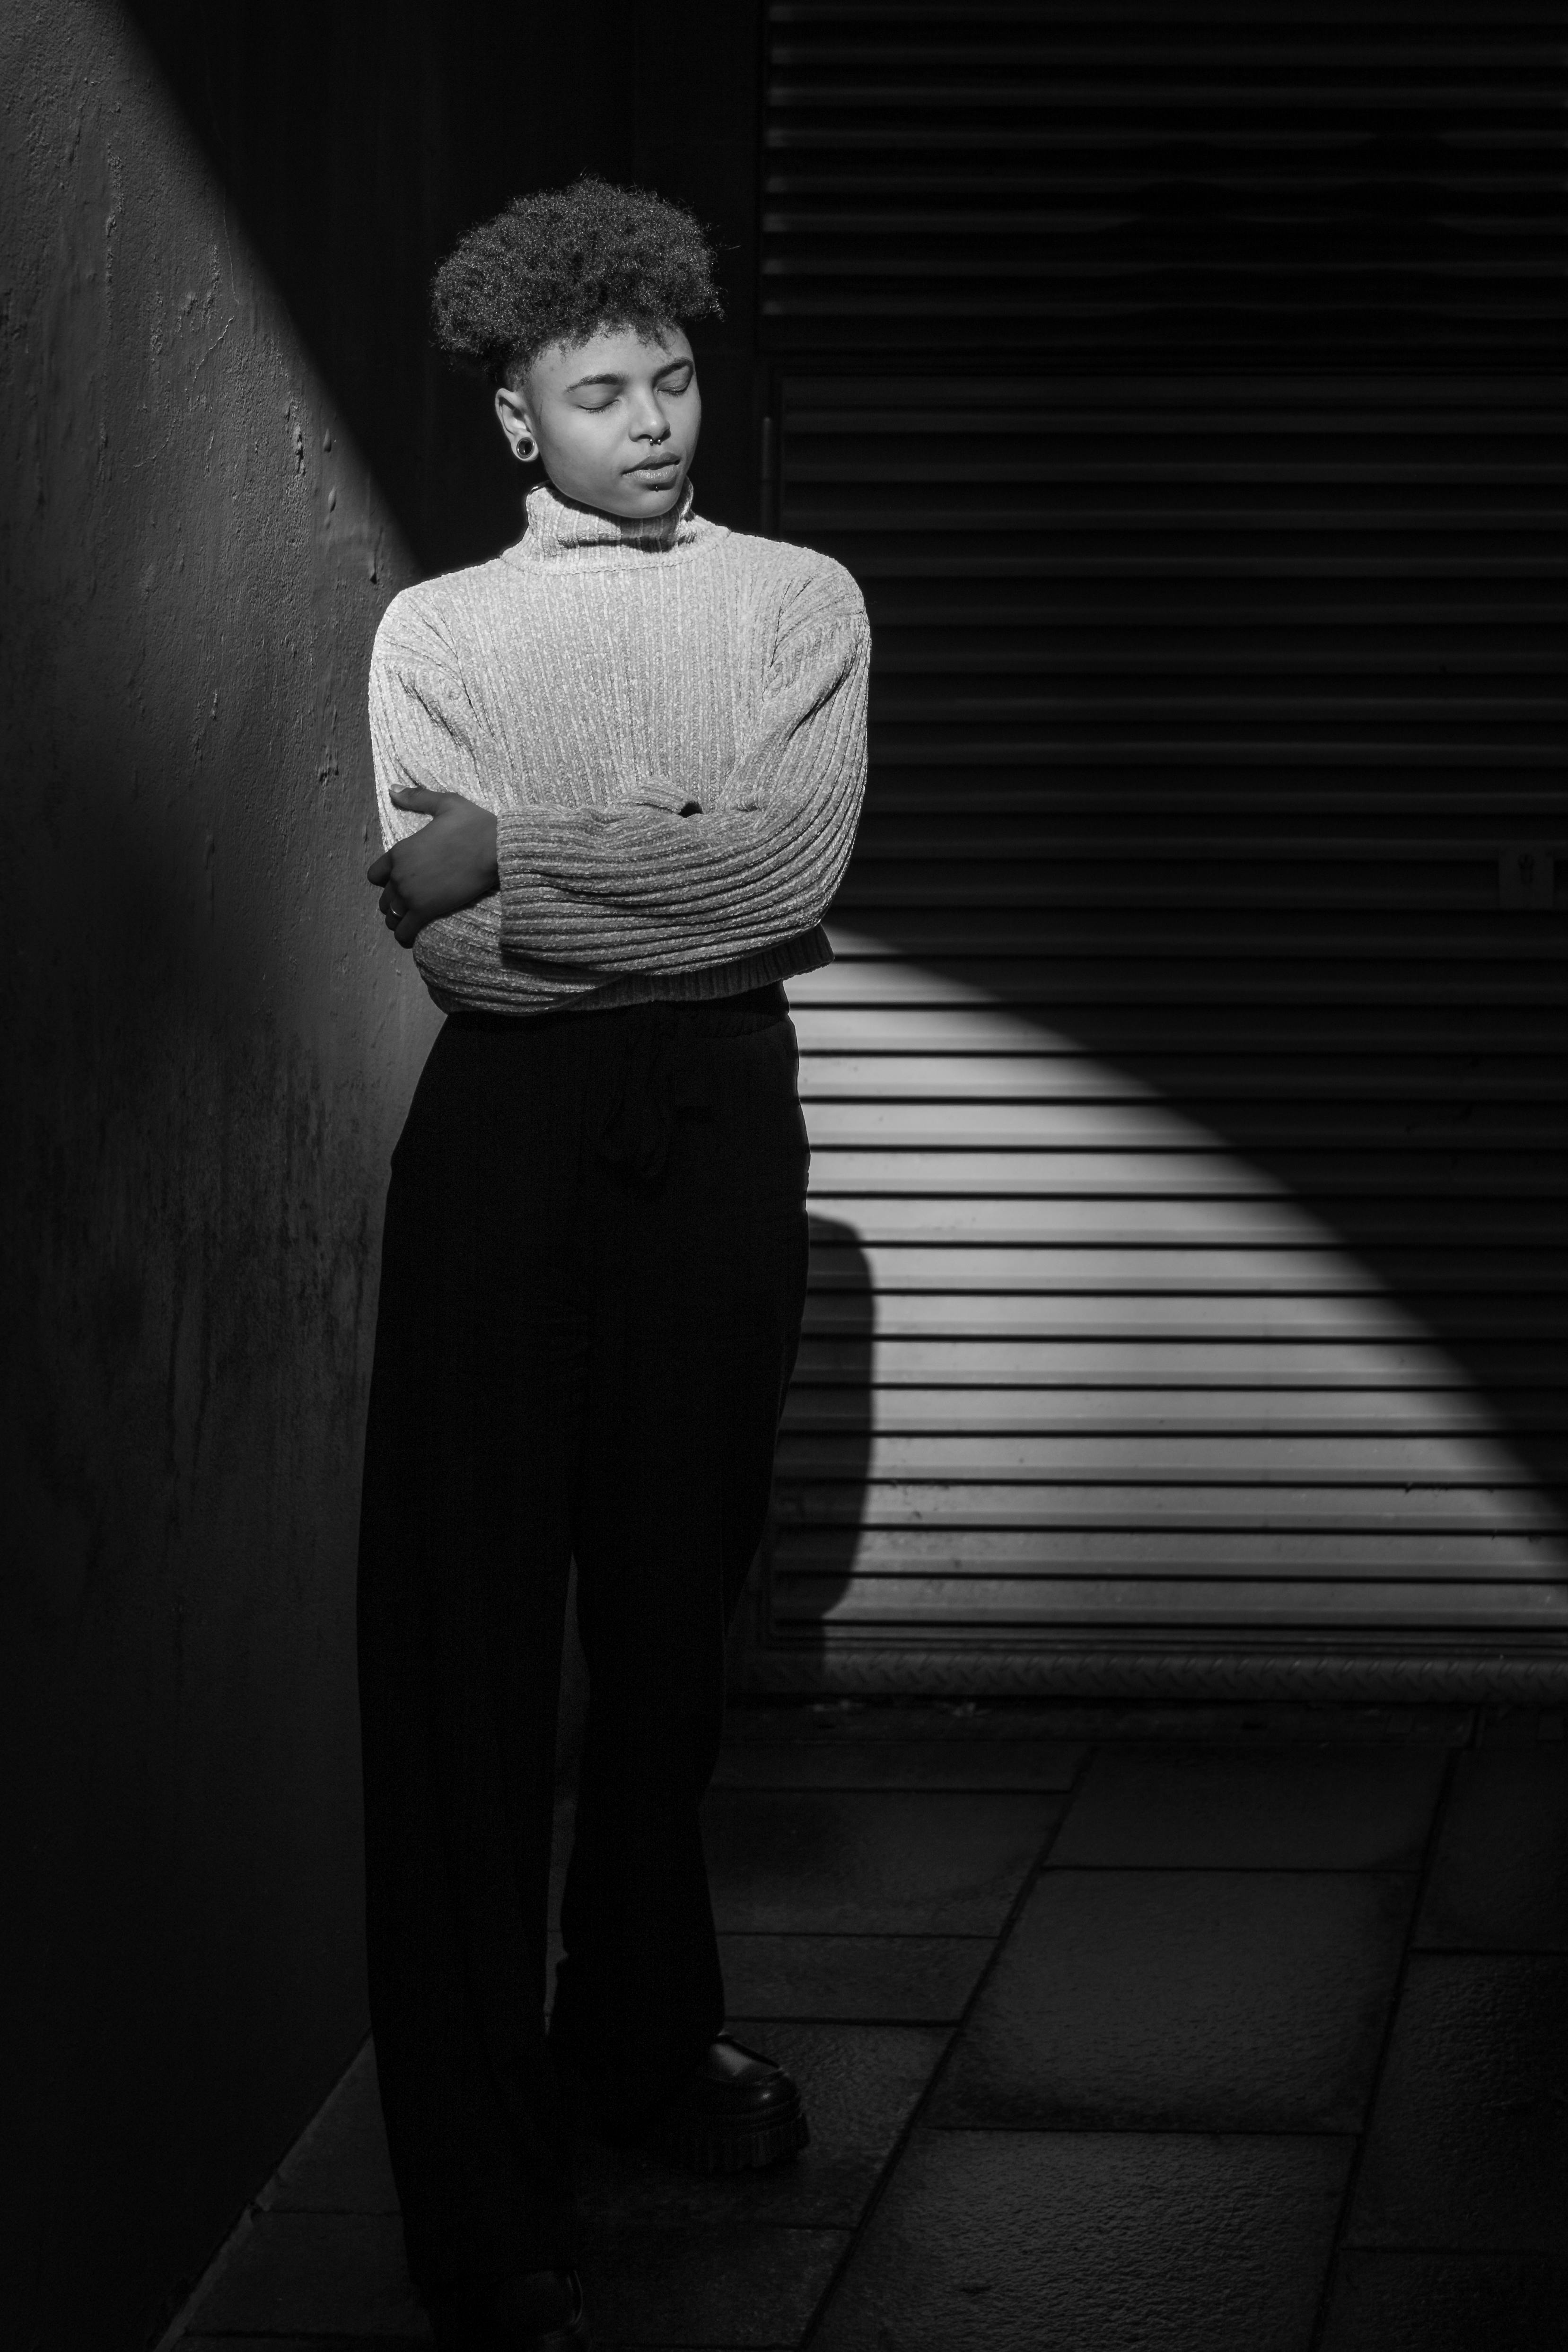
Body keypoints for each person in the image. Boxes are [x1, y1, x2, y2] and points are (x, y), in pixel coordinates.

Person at [356, 178, 869, 2352]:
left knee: (671, 1629)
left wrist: (516, 846)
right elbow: (444, 943)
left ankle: (643, 2043)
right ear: (514, 416)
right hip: (503, 1150)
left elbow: (788, 866)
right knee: (466, 1662)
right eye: (603, 389)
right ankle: (481, 2187)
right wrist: (632, 864)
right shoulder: (438, 632)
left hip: (718, 1125)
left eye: (676, 377)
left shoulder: (795, 597)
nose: (657, 422)